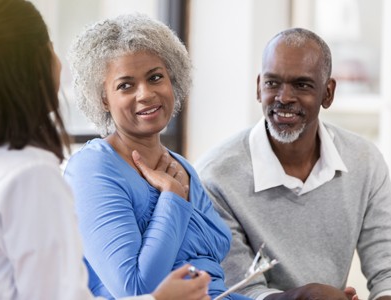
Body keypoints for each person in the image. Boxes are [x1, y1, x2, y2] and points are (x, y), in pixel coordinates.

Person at [0, 0, 212, 299]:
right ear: (39, 62)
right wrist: (158, 299)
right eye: (50, 46)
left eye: (156, 77)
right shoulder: (31, 176)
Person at [195, 27, 391, 300]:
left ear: (328, 93)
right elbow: (239, 291)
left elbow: (389, 272)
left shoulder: (365, 161)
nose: (284, 97)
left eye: (301, 85)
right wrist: (308, 296)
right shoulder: (215, 176)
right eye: (272, 83)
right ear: (258, 87)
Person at [64, 13, 251, 300]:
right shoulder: (93, 168)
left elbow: (213, 279)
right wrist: (172, 199)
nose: (146, 94)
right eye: (126, 85)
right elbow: (136, 289)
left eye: (155, 78)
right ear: (103, 98)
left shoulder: (182, 166)